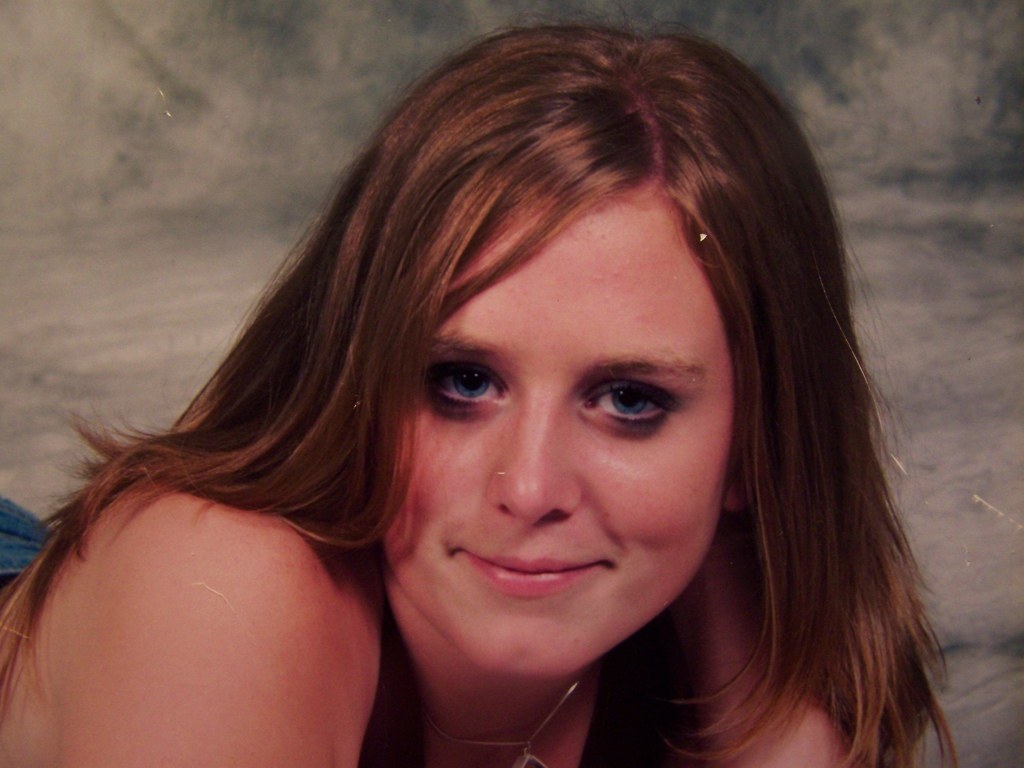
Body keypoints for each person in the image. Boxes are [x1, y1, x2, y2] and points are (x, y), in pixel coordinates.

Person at [0, 24, 955, 767]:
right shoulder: (225, 587)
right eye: (462, 381)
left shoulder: (696, 644)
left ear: (756, 439)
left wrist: (763, 701)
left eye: (630, 401)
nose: (529, 487)